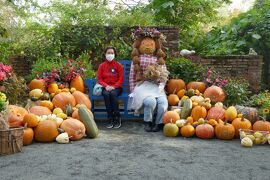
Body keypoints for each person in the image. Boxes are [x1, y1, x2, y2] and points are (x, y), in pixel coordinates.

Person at [129, 28, 169, 132]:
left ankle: (159, 123)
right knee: (150, 101)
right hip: (142, 85)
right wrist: (133, 90)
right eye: (144, 44)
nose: (147, 46)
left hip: (156, 86)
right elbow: (132, 76)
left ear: (156, 46)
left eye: (151, 44)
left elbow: (164, 75)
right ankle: (148, 121)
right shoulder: (137, 59)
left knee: (163, 102)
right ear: (139, 45)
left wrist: (161, 85)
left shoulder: (159, 60)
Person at [97, 46, 124, 128]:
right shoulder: (102, 66)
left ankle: (117, 116)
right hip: (106, 87)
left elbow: (121, 79)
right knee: (106, 94)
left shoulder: (118, 65)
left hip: (117, 88)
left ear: (114, 54)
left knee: (112, 94)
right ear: (105, 54)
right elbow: (99, 79)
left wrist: (114, 86)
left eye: (112, 53)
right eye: (108, 53)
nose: (110, 54)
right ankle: (110, 118)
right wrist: (106, 86)